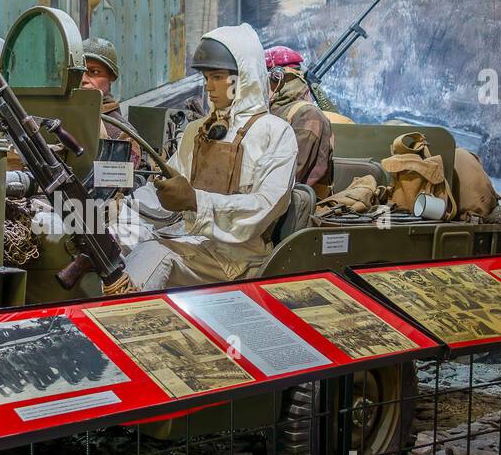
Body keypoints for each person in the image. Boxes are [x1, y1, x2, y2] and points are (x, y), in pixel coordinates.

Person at [122, 24, 298, 290]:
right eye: (207, 78)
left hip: (239, 257)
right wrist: (119, 209)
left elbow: (265, 205)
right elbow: (161, 193)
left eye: (217, 77)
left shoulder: (275, 133)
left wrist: (196, 201)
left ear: (244, 77)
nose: (209, 87)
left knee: (156, 254)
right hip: (189, 240)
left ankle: (119, 321)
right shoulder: (197, 131)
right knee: (111, 237)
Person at [263, 46, 334, 197]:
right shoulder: (269, 111)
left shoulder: (307, 115)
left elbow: (289, 176)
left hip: (295, 207)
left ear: (278, 76)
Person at [82, 37, 141, 169]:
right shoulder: (66, 116)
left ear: (111, 77)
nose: (83, 79)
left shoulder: (121, 133)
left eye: (94, 72)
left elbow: (117, 187)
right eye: (79, 71)